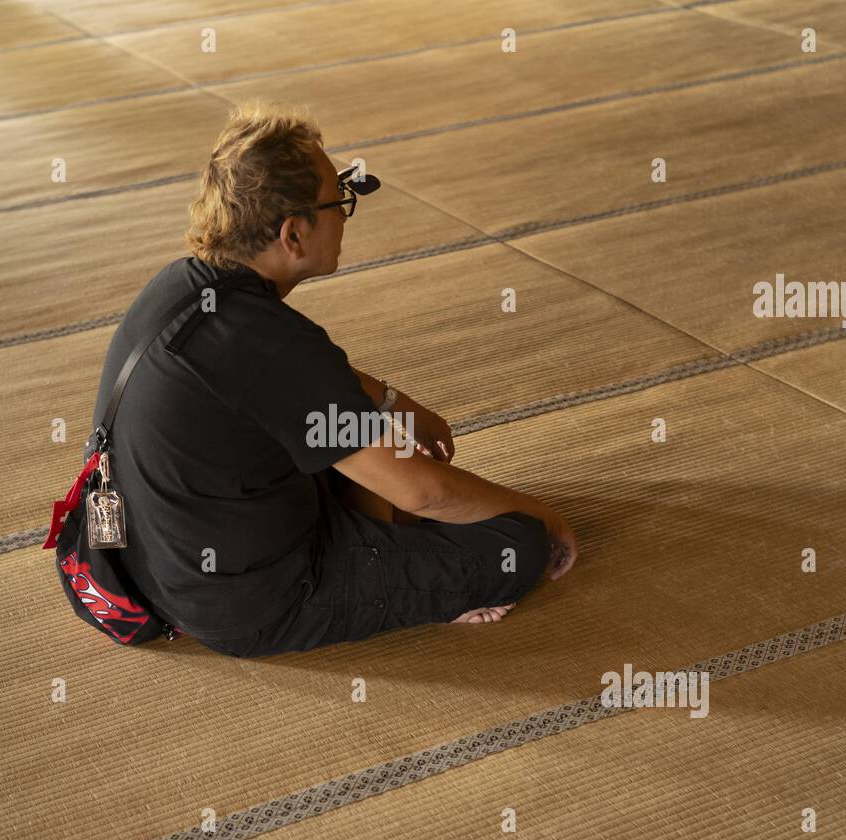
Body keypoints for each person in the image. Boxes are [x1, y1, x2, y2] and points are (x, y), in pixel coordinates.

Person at [89, 100, 577, 657]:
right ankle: (415, 580)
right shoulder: (267, 342)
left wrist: (399, 403)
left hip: (162, 561)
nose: (346, 213)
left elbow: (304, 386)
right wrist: (545, 514)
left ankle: (390, 542)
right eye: (339, 200)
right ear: (293, 234)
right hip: (254, 602)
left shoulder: (185, 286)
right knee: (517, 546)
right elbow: (426, 489)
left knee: (373, 438)